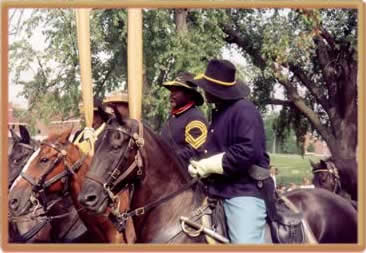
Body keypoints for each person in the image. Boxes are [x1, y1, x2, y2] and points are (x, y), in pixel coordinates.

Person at [187, 59, 271, 244]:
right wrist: (197, 163)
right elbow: (214, 149)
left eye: (207, 87)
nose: (204, 90)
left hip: (244, 191)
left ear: (218, 90)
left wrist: (208, 165)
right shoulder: (221, 112)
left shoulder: (245, 111)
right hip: (217, 190)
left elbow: (246, 152)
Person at [160, 72, 208, 168]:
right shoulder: (173, 116)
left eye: (177, 91)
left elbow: (194, 151)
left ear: (189, 94)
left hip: (185, 177)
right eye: (172, 91)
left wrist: (165, 159)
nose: (172, 95)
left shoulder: (195, 118)